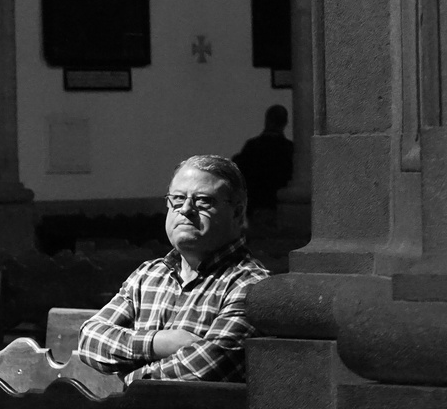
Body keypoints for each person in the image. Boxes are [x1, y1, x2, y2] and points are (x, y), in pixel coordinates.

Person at [76, 155, 269, 383]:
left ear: (237, 212)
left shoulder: (251, 285)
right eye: (177, 199)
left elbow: (204, 368)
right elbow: (90, 340)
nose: (186, 209)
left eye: (203, 201)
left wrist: (131, 381)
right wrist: (160, 342)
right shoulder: (148, 275)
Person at [233, 104, 294, 230]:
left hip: (257, 205)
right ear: (285, 123)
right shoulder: (289, 149)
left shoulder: (252, 147)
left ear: (267, 120)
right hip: (282, 206)